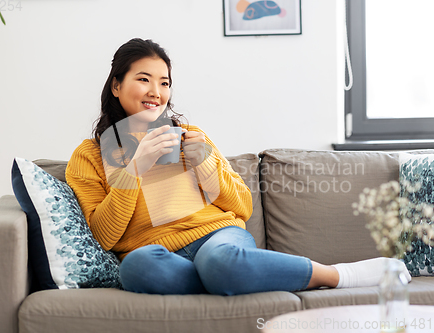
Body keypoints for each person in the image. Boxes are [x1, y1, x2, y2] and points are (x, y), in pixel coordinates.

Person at [65, 38, 411, 296]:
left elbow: (242, 206)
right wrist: (135, 168)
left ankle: (335, 275)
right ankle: (227, 281)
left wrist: (206, 165)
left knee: (219, 262)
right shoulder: (91, 155)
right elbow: (104, 236)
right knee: (135, 269)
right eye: (144, 79)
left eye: (165, 82)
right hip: (155, 254)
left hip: (218, 238)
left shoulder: (191, 137)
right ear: (116, 85)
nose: (156, 91)